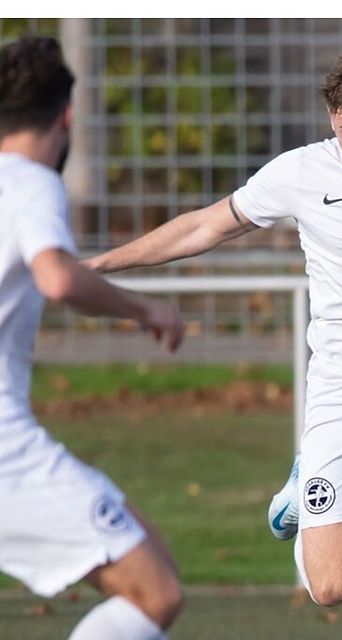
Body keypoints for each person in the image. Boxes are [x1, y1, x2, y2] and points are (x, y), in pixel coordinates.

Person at [86, 46, 342, 639]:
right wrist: (95, 266)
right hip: (340, 392)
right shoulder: (300, 173)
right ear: (331, 120)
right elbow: (204, 225)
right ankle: (304, 487)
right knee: (330, 589)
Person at [0, 36, 185, 640]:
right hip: (5, 452)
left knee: (147, 550)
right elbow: (56, 278)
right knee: (153, 591)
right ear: (67, 115)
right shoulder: (30, 182)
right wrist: (146, 309)